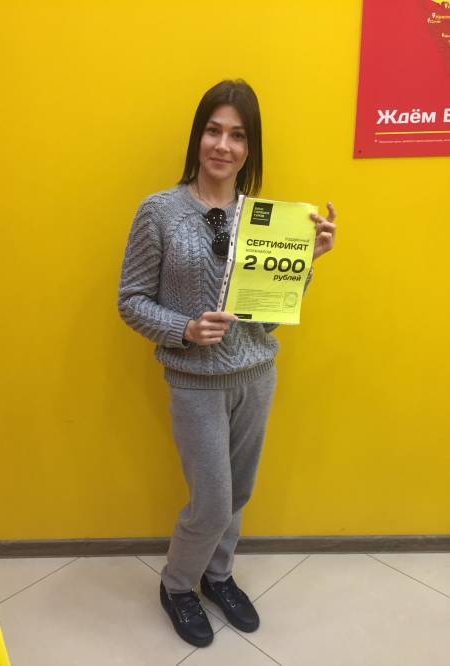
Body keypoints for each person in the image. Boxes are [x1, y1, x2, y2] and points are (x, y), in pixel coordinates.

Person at [118, 79, 336, 648]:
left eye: (237, 135)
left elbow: (267, 318)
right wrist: (184, 329)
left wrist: (304, 263)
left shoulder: (268, 219)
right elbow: (131, 300)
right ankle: (177, 584)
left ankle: (218, 576)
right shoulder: (159, 212)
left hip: (256, 375)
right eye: (213, 131)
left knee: (238, 493)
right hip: (195, 382)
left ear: (250, 147)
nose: (223, 145)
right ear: (197, 137)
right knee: (211, 501)